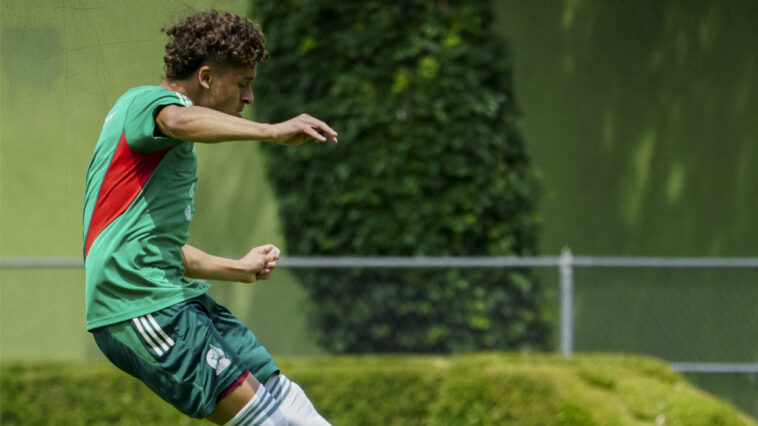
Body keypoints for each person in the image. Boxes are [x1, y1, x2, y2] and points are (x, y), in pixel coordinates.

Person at [82, 10, 336, 425]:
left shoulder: (161, 151)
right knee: (265, 421)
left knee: (286, 400)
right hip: (140, 305)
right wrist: (271, 131)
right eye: (242, 83)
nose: (249, 98)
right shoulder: (148, 102)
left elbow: (158, 249)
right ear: (205, 77)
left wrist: (239, 268)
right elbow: (180, 120)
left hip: (180, 298)